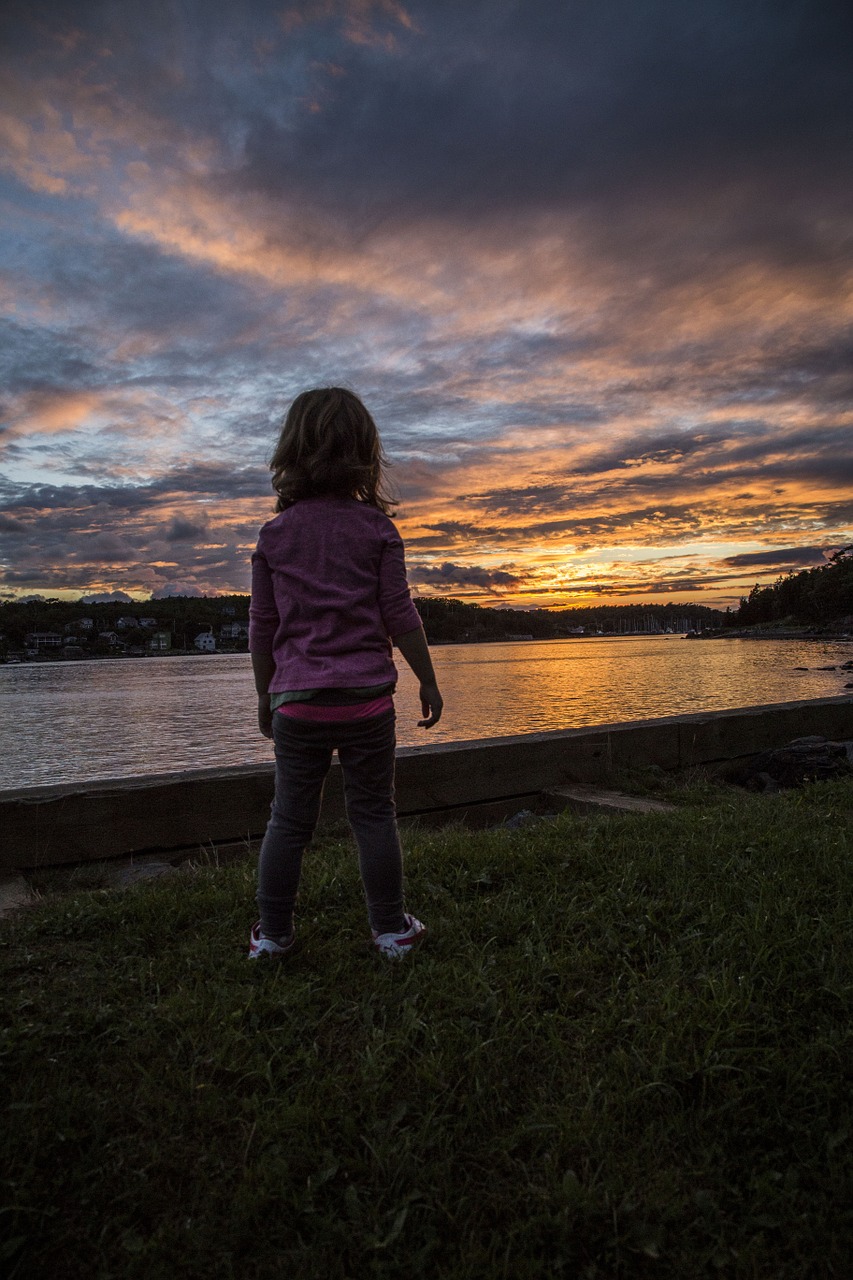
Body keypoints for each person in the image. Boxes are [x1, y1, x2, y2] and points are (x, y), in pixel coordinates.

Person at [247, 386, 443, 961]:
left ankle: (274, 935)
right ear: (365, 453)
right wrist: (427, 679)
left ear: (292, 451)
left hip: (297, 702)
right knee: (373, 813)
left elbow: (263, 625)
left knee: (288, 820)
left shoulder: (275, 535)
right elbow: (399, 614)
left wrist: (267, 695)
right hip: (366, 700)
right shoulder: (377, 530)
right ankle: (390, 928)